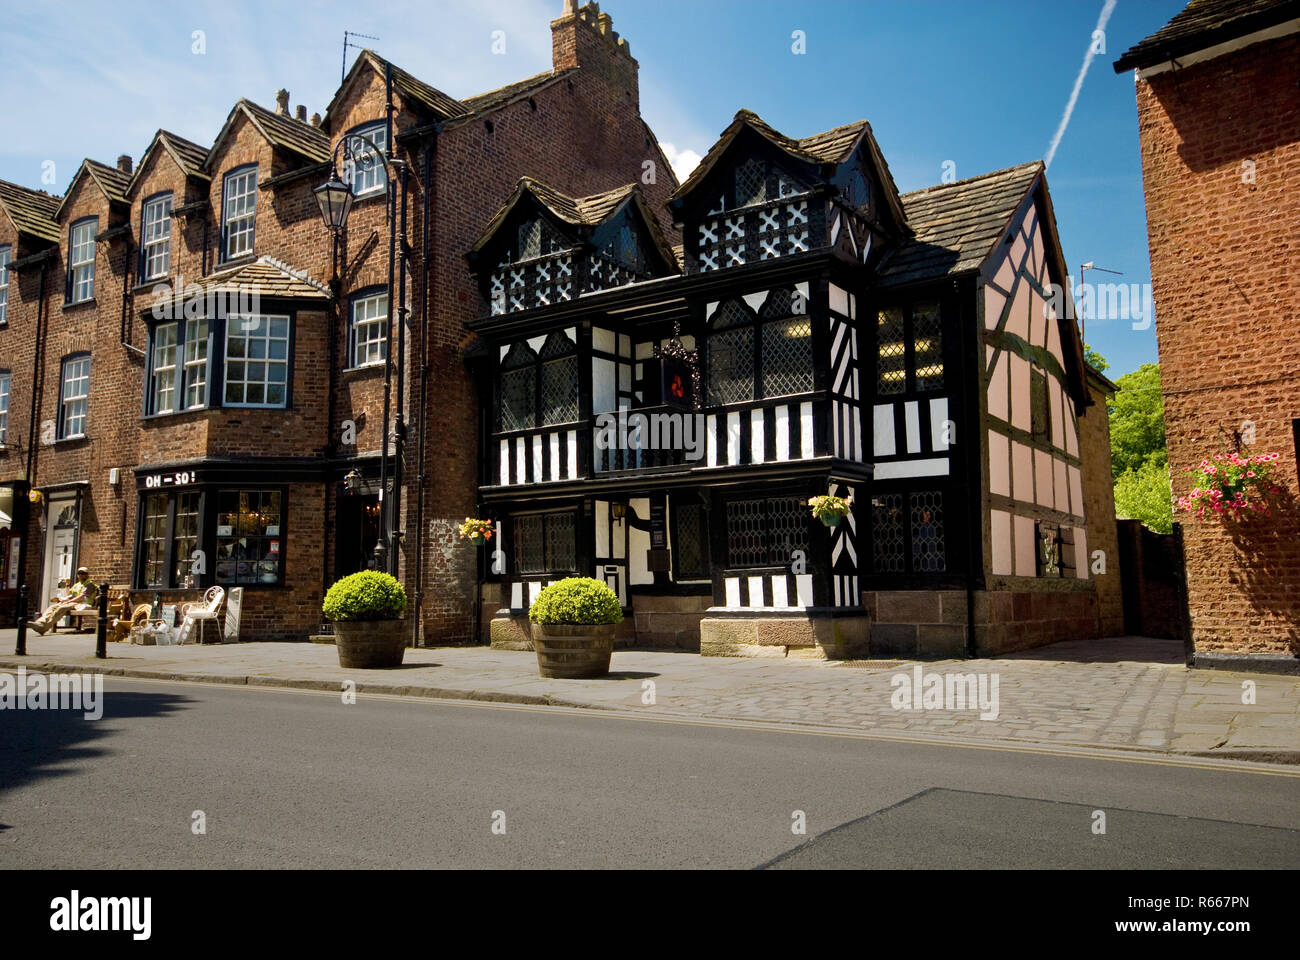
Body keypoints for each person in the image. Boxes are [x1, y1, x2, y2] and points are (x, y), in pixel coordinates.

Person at [29, 567, 99, 635]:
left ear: (87, 575)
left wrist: (69, 601)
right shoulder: (77, 585)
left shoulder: (89, 585)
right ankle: (40, 622)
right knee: (52, 607)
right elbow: (70, 595)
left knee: (61, 608)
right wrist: (66, 588)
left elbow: (82, 597)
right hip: (74, 603)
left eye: (83, 573)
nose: (80, 575)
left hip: (83, 604)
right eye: (79, 573)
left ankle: (44, 627)